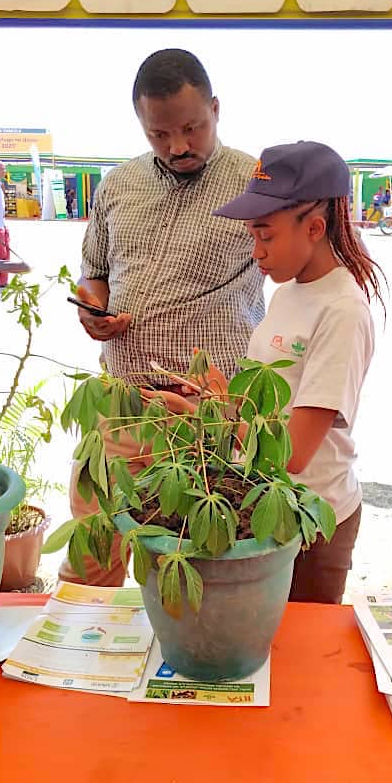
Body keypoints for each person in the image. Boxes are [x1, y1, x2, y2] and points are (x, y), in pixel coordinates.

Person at [59, 48, 264, 586]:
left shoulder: (257, 184)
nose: (178, 147)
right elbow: (94, 271)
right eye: (160, 134)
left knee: (189, 573)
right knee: (90, 561)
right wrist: (94, 309)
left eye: (192, 128)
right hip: (120, 406)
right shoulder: (118, 185)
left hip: (206, 416)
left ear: (216, 109)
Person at [149, 141, 385, 604]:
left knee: (299, 653)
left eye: (266, 235)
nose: (256, 252)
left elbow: (293, 453)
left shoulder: (342, 310)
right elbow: (266, 412)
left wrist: (211, 416)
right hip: (264, 502)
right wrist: (212, 394)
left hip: (314, 519)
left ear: (314, 227)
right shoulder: (288, 291)